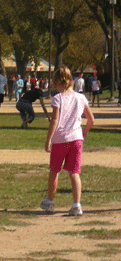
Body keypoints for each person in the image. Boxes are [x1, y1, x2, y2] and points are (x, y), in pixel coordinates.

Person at [40, 65, 94, 216]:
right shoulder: (81, 97)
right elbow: (91, 120)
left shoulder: (58, 98)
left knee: (54, 171)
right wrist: (84, 132)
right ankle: (76, 205)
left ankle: (50, 202)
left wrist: (48, 139)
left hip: (60, 139)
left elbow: (55, 120)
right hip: (76, 139)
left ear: (58, 82)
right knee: (74, 172)